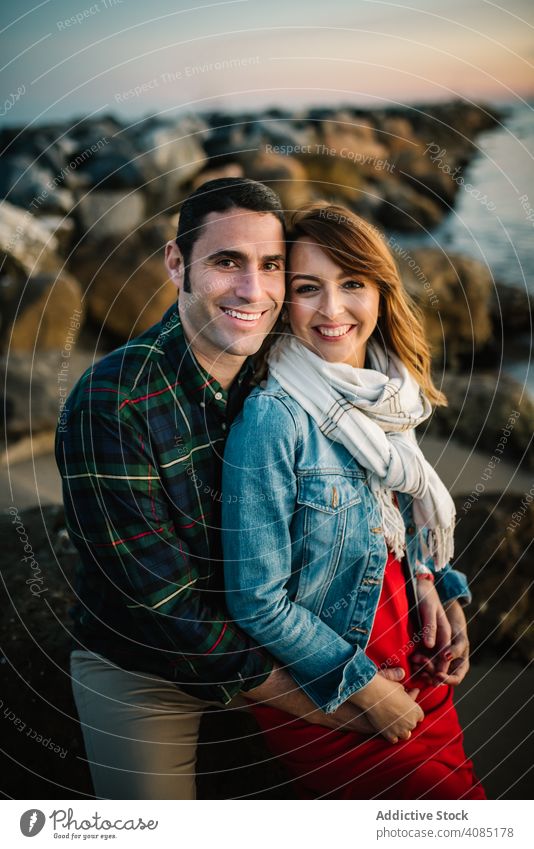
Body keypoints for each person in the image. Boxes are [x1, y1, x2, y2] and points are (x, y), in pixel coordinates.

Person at [55, 179, 408, 800]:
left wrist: (435, 581)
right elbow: (167, 611)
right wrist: (345, 695)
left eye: (271, 266)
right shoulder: (112, 402)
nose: (252, 289)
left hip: (287, 635)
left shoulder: (289, 369)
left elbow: (373, 475)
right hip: (151, 669)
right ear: (176, 264)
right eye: (226, 262)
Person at [222, 202, 487, 799]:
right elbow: (255, 600)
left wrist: (440, 591)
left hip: (416, 664)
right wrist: (364, 688)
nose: (332, 309)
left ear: (381, 293)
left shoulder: (390, 393)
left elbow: (395, 527)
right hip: (338, 691)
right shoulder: (275, 417)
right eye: (307, 287)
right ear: (282, 300)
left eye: (352, 284)